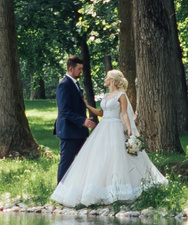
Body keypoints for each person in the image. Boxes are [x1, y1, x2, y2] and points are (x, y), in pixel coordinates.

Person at [51, 71, 168, 207]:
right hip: (103, 128)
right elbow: (101, 113)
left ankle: (119, 191)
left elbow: (124, 113)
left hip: (115, 127)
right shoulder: (106, 96)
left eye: (106, 78)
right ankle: (98, 191)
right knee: (100, 158)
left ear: (112, 80)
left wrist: (129, 129)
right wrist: (87, 106)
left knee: (116, 157)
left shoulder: (121, 95)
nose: (105, 80)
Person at [54, 56, 93, 177]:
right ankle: (60, 188)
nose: (81, 71)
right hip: (69, 131)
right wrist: (83, 121)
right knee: (66, 162)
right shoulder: (64, 85)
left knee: (85, 160)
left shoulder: (74, 84)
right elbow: (65, 110)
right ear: (71, 69)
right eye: (79, 69)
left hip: (79, 131)